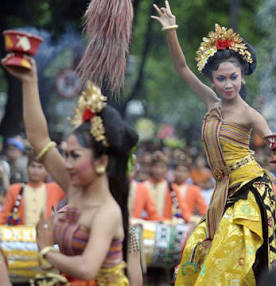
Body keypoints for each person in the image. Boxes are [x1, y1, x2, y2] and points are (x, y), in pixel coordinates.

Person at [152, 1, 276, 284]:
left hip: (250, 190)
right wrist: (170, 30)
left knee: (225, 259)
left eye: (234, 77)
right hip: (221, 193)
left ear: (242, 78)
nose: (228, 84)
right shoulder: (210, 101)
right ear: (213, 81)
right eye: (221, 79)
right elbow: (181, 68)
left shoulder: (250, 115)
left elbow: (275, 144)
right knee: (195, 250)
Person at [2, 56, 139, 284]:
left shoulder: (108, 211)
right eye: (65, 154)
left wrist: (47, 249)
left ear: (101, 162)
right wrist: (29, 80)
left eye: (74, 156)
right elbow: (39, 139)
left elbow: (86, 269)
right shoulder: (76, 189)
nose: (66, 163)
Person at [0, 151, 65, 226]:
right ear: (27, 168)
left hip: (46, 235)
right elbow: (3, 216)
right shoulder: (15, 189)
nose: (36, 171)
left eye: (40, 167)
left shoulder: (55, 189)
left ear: (47, 171)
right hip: (20, 236)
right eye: (33, 166)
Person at [144, 151, 192, 222]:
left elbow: (182, 208)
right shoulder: (143, 186)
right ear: (150, 168)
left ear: (166, 169)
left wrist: (191, 220)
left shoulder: (171, 187)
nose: (158, 170)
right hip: (144, 226)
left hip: (165, 227)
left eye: (162, 167)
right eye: (156, 166)